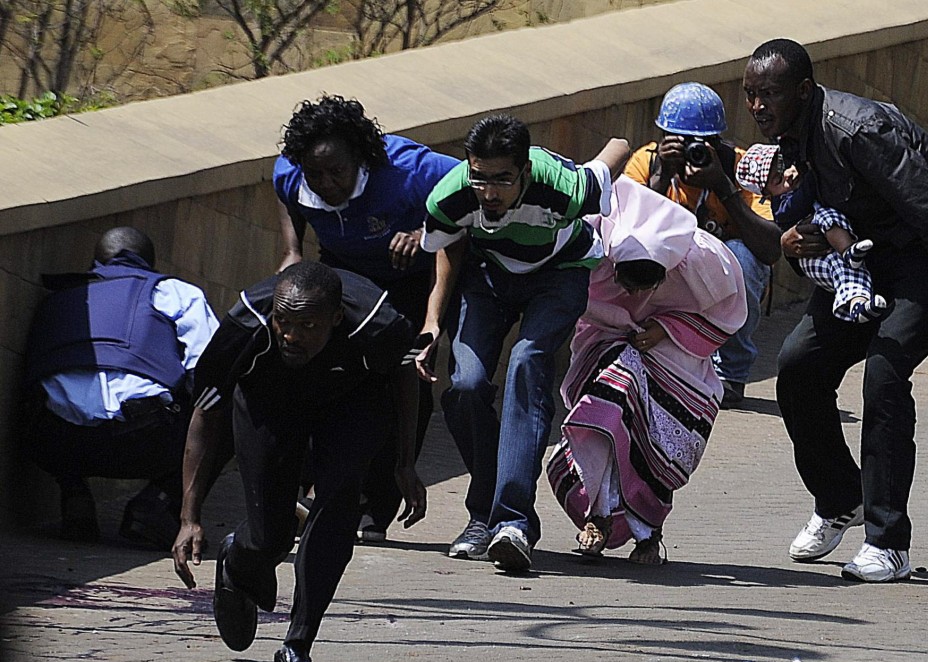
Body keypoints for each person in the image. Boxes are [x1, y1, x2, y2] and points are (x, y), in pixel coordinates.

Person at [743, 38, 928, 582]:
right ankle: (839, 499)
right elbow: (801, 221)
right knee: (797, 366)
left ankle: (887, 542)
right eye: (750, 95)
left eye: (770, 93)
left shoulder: (858, 131)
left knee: (884, 372)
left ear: (804, 92)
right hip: (863, 256)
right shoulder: (784, 140)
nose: (758, 106)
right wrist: (796, 242)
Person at [171, 262, 427, 662]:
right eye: (283, 322)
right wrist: (189, 517)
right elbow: (206, 412)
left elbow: (404, 373)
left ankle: (296, 649)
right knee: (270, 535)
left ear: (336, 319)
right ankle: (240, 559)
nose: (291, 336)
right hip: (266, 406)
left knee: (338, 510)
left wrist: (405, 463)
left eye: (308, 325)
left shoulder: (377, 323)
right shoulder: (247, 324)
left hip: (349, 400)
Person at [414, 113, 630, 572]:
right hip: (490, 277)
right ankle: (484, 515)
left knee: (526, 362)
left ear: (525, 172)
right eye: (481, 178)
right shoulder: (451, 196)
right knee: (466, 385)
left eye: (503, 180)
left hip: (560, 274)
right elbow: (448, 251)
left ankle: (512, 522)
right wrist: (433, 322)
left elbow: (618, 144)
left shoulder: (563, 187)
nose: (489, 193)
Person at [274, 94, 458, 542]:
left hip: (410, 279)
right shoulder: (291, 173)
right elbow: (284, 191)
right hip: (344, 274)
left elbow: (466, 190)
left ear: (362, 157)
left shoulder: (412, 171)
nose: (325, 183)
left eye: (337, 171)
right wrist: (293, 250)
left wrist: (425, 233)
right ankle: (305, 490)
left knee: (404, 380)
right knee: (320, 372)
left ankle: (376, 508)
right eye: (315, 174)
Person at [546, 176, 747, 565]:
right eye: (627, 282)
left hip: (675, 355)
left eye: (647, 285)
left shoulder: (705, 261)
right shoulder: (592, 243)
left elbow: (727, 312)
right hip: (606, 340)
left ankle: (649, 533)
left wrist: (667, 329)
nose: (636, 295)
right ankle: (598, 516)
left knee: (652, 438)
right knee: (604, 416)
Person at [22, 226, 219, 550]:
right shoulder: (174, 291)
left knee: (47, 397)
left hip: (51, 440)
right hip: (144, 440)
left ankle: (74, 496)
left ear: (96, 262)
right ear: (150, 263)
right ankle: (155, 503)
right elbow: (210, 366)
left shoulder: (63, 296)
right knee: (221, 405)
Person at [623, 82, 782, 408]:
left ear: (716, 140)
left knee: (744, 257)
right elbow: (624, 232)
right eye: (680, 142)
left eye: (702, 143)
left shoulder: (740, 167)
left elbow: (770, 249)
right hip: (668, 274)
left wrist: (724, 188)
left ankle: (732, 373)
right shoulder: (647, 163)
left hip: (722, 278)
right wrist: (662, 179)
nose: (691, 151)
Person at [735, 143, 888, 323]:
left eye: (784, 166)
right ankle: (853, 298)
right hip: (815, 259)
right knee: (840, 266)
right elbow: (807, 194)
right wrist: (812, 170)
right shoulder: (783, 207)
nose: (787, 176)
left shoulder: (795, 180)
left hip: (839, 248)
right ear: (768, 195)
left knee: (848, 261)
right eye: (778, 180)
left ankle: (859, 298)